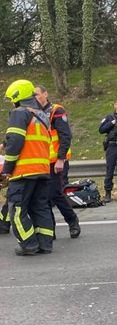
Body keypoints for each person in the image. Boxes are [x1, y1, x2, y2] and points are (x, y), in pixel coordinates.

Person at [2, 79, 54, 256]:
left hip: (24, 172)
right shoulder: (42, 115)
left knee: (16, 210)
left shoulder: (19, 113)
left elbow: (15, 142)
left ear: (17, 97)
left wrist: (7, 169)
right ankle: (45, 244)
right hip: (42, 170)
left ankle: (28, 244)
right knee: (40, 207)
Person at [34, 85, 81, 239]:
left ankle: (72, 220)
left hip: (57, 161)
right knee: (44, 196)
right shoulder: (34, 113)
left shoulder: (56, 110)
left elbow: (65, 136)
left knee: (55, 193)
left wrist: (61, 159)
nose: (35, 97)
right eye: (33, 95)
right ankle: (49, 230)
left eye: (37, 94)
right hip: (42, 161)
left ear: (45, 94)